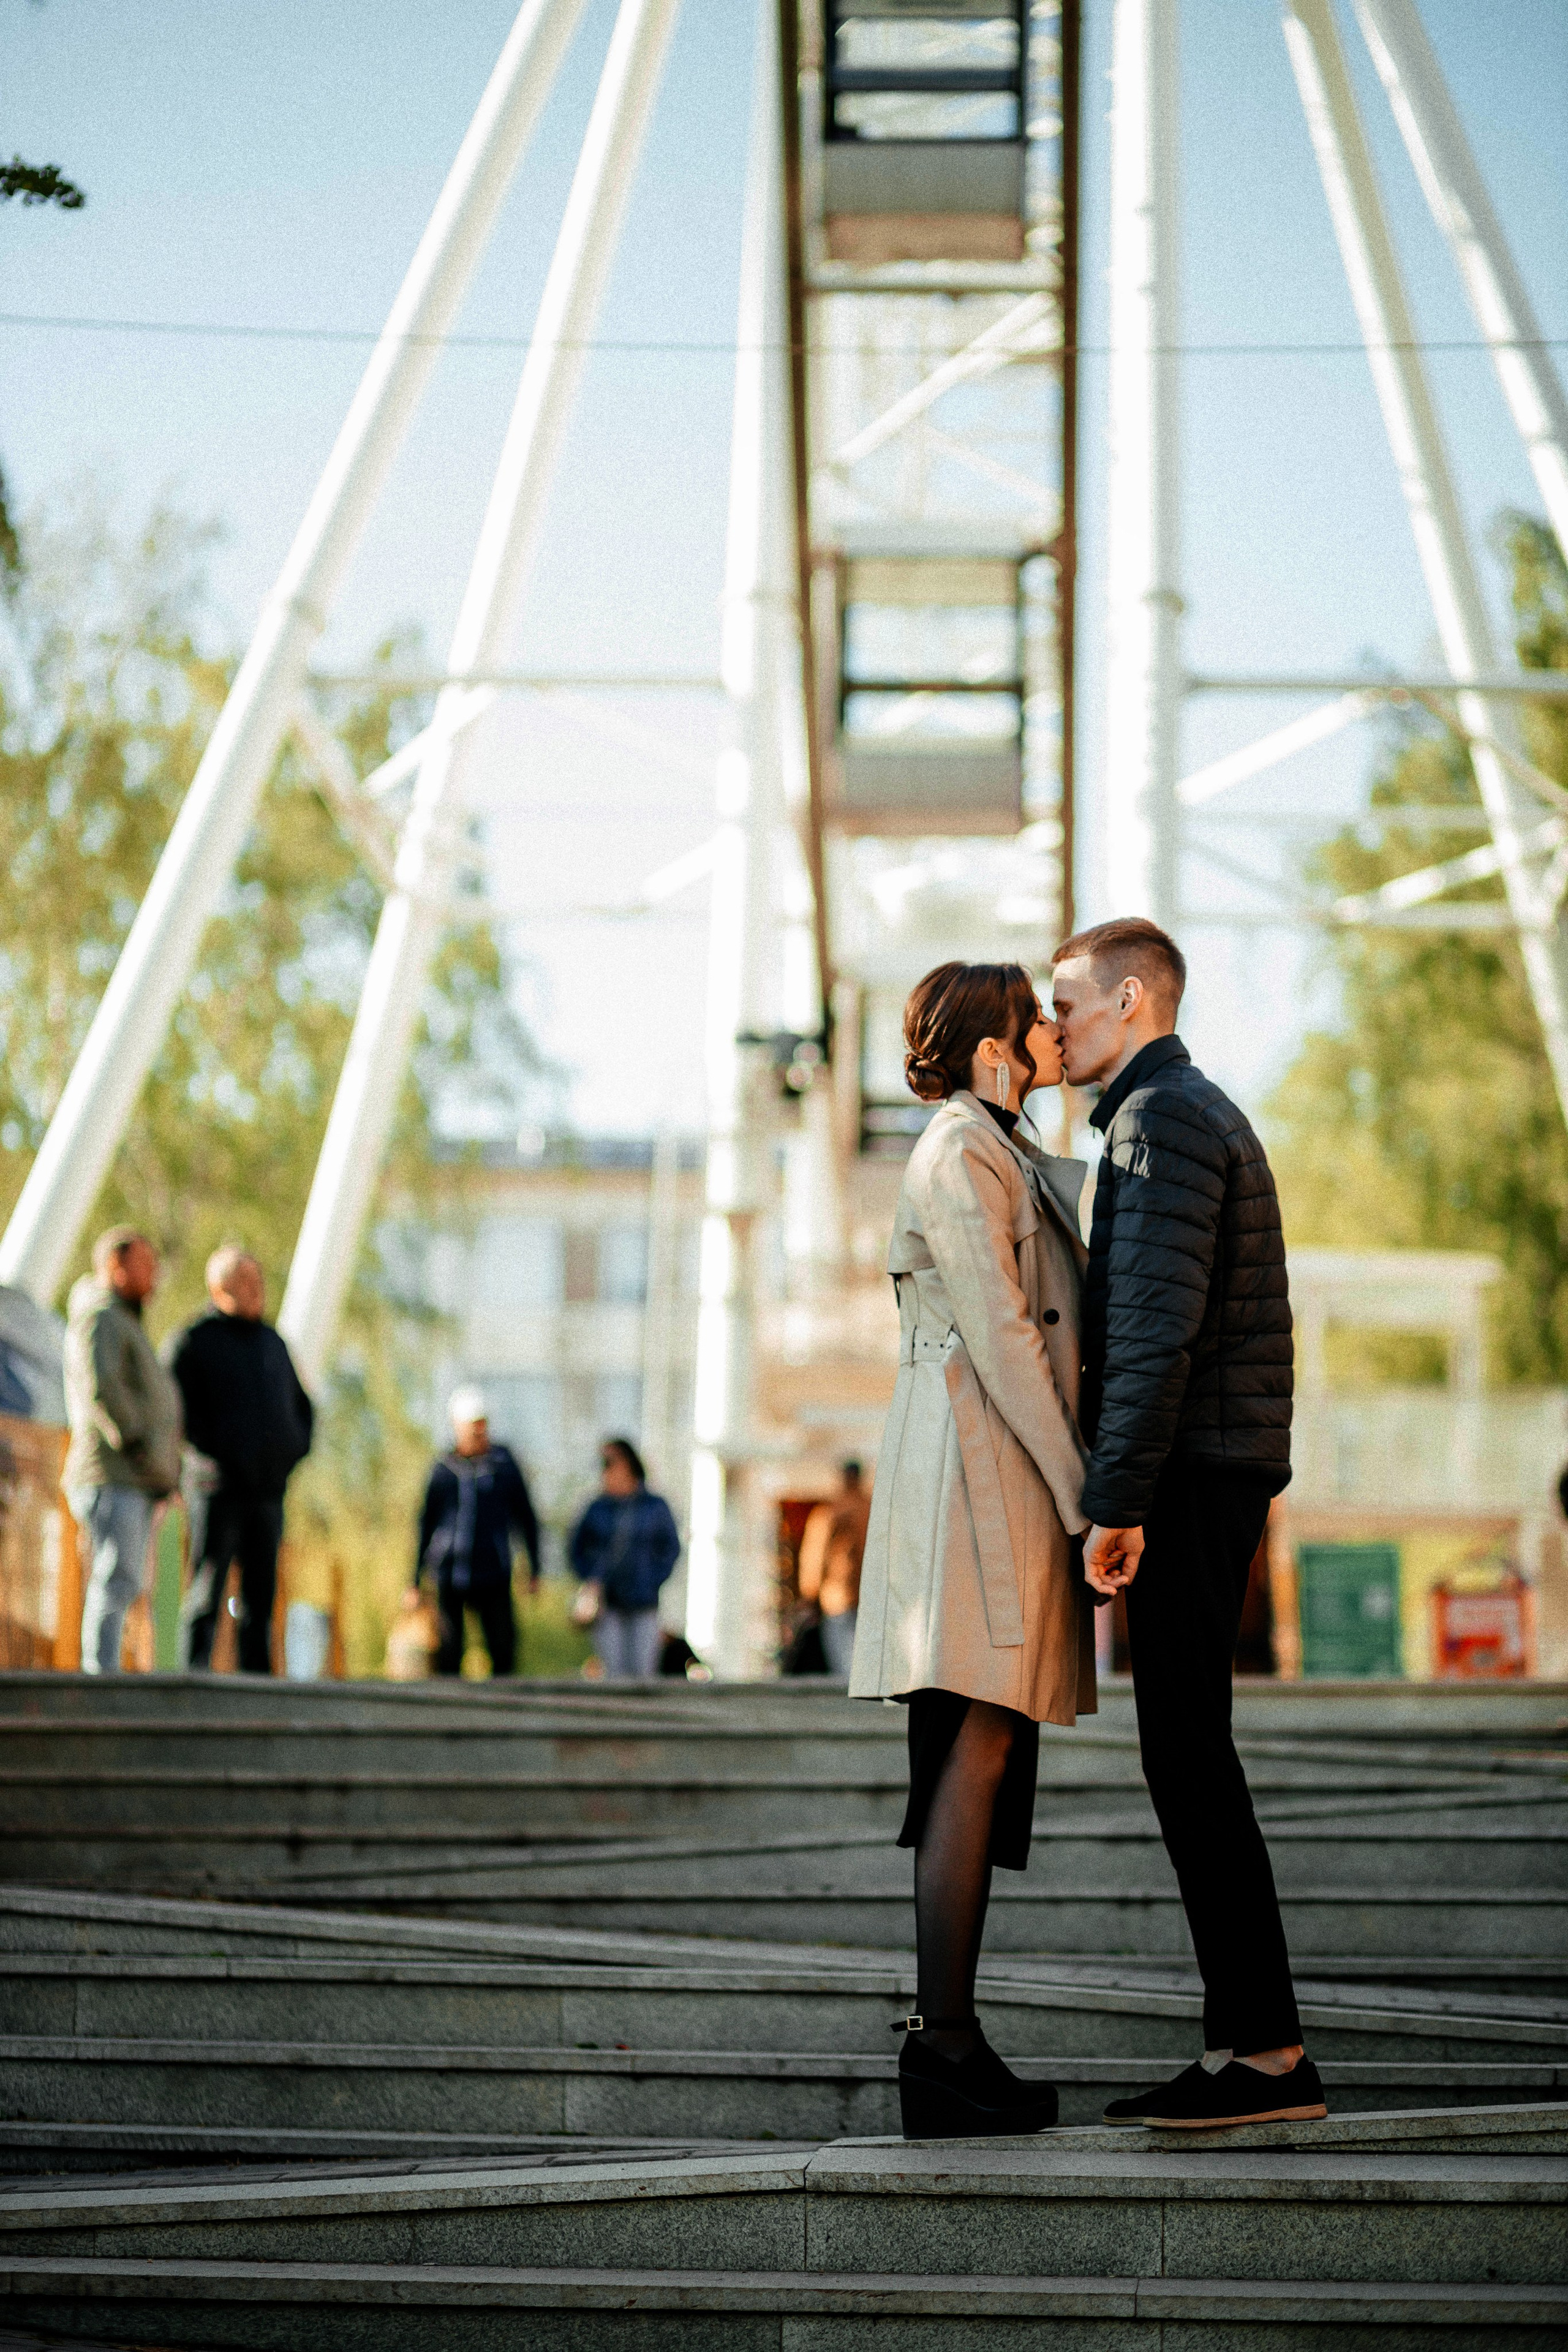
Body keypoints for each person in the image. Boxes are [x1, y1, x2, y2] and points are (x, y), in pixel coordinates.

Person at [1052, 916, 1323, 2131]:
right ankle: (1243, 2045)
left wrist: (1116, 1503)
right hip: (1213, 1463)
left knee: (1188, 1753)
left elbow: (1152, 1334)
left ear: (1130, 1001)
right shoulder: (1175, 1112)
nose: (1053, 1027)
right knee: (1186, 1749)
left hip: (1192, 1473)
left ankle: (1266, 2052)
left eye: (1067, 1004)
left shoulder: (1159, 1122)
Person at [850, 962, 1102, 2139]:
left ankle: (952, 2042)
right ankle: (943, 2044)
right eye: (1032, 1020)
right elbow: (1004, 1337)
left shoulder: (995, 1147)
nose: (1051, 1031)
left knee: (985, 1741)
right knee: (976, 1735)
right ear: (993, 1049)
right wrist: (1083, 1495)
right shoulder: (961, 1150)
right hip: (972, 1468)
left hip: (985, 1463)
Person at [170, 1246, 314, 1674]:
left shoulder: (273, 1342)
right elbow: (176, 1412)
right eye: (247, 1283)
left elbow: (302, 1407)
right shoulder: (194, 1341)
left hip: (267, 1494)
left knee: (261, 1597)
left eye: (259, 1282)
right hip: (217, 1491)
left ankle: (258, 1687)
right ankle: (194, 1681)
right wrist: (217, 1458)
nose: (258, 1291)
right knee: (206, 1592)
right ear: (220, 1288)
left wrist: (288, 1454)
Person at [63, 1227, 183, 1674]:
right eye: (145, 1265)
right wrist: (136, 1443)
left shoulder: (123, 1320)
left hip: (132, 1476)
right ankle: (100, 1680)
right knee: (115, 1579)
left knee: (125, 1580)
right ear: (116, 1266)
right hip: (113, 1474)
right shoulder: (101, 1318)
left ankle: (105, 1672)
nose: (154, 1276)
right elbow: (103, 1387)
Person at [415, 1386, 540, 1677]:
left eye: (482, 1426)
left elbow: (525, 1517)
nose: (478, 1434)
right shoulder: (443, 1470)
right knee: (448, 1653)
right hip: (450, 1573)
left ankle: (503, 1705)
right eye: (472, 1427)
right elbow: (426, 1524)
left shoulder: (503, 1466)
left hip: (493, 1571)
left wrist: (534, 1567)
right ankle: (450, 1705)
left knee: (503, 1649)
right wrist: (415, 1579)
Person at [569, 1438, 680, 1679]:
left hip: (644, 1601)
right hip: (607, 1602)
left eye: (610, 1464)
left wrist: (652, 1579)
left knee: (643, 1671)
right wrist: (591, 1577)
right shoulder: (597, 1508)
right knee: (614, 1672)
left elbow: (670, 1548)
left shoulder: (654, 1507)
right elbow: (576, 1549)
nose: (606, 1472)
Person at [797, 1460, 872, 1678]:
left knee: (842, 1658)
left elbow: (815, 1557)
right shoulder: (874, 1510)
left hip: (838, 1595)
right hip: (871, 1594)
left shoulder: (830, 1512)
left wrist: (810, 1594)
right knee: (864, 1653)